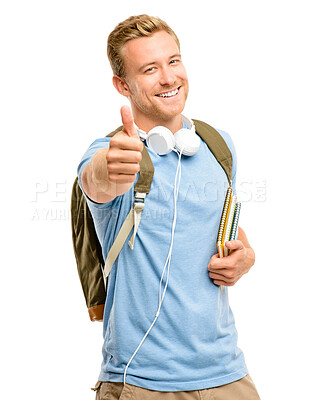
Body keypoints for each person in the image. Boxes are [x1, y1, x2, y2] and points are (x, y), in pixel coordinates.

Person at [77, 14, 260, 400]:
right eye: (149, 69)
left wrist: (245, 255)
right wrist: (111, 168)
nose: (168, 77)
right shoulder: (110, 153)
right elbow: (96, 180)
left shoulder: (216, 145)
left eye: (173, 61)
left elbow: (220, 224)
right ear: (122, 85)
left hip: (228, 374)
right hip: (141, 382)